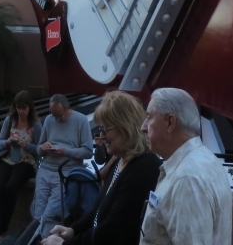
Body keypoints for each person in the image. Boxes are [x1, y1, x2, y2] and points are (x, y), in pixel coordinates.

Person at [44, 90, 161, 245]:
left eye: (106, 129)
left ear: (125, 127)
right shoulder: (121, 159)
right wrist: (72, 230)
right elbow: (98, 211)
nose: (102, 136)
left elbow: (112, 231)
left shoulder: (144, 168)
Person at [139, 87, 232, 245]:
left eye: (149, 117)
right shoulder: (204, 160)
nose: (143, 127)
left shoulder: (186, 179)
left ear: (170, 122)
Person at [33, 94, 94, 237]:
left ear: (67, 108)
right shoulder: (49, 120)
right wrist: (43, 148)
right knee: (38, 213)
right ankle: (37, 239)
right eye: (54, 115)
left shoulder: (81, 120)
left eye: (59, 115)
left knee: (50, 213)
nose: (57, 119)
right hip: (45, 169)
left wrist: (65, 151)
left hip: (65, 172)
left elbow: (88, 151)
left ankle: (37, 240)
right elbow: (38, 147)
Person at [0, 90, 42, 243]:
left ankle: (2, 228)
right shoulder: (10, 120)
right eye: (19, 108)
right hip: (7, 159)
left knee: (11, 187)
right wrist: (6, 142)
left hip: (26, 162)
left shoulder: (36, 125)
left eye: (24, 108)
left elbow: (39, 149)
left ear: (30, 108)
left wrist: (27, 146)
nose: (21, 111)